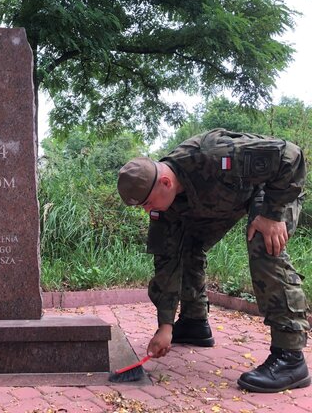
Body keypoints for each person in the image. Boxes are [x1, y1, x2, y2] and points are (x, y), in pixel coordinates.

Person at [117, 128, 310, 393]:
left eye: (148, 203)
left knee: (263, 242)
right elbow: (166, 261)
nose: (148, 210)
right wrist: (165, 326)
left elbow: (292, 156)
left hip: (272, 190)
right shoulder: (165, 205)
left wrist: (273, 214)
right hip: (227, 202)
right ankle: (194, 323)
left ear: (165, 182)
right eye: (142, 207)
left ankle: (290, 357)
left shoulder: (212, 155)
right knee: (185, 245)